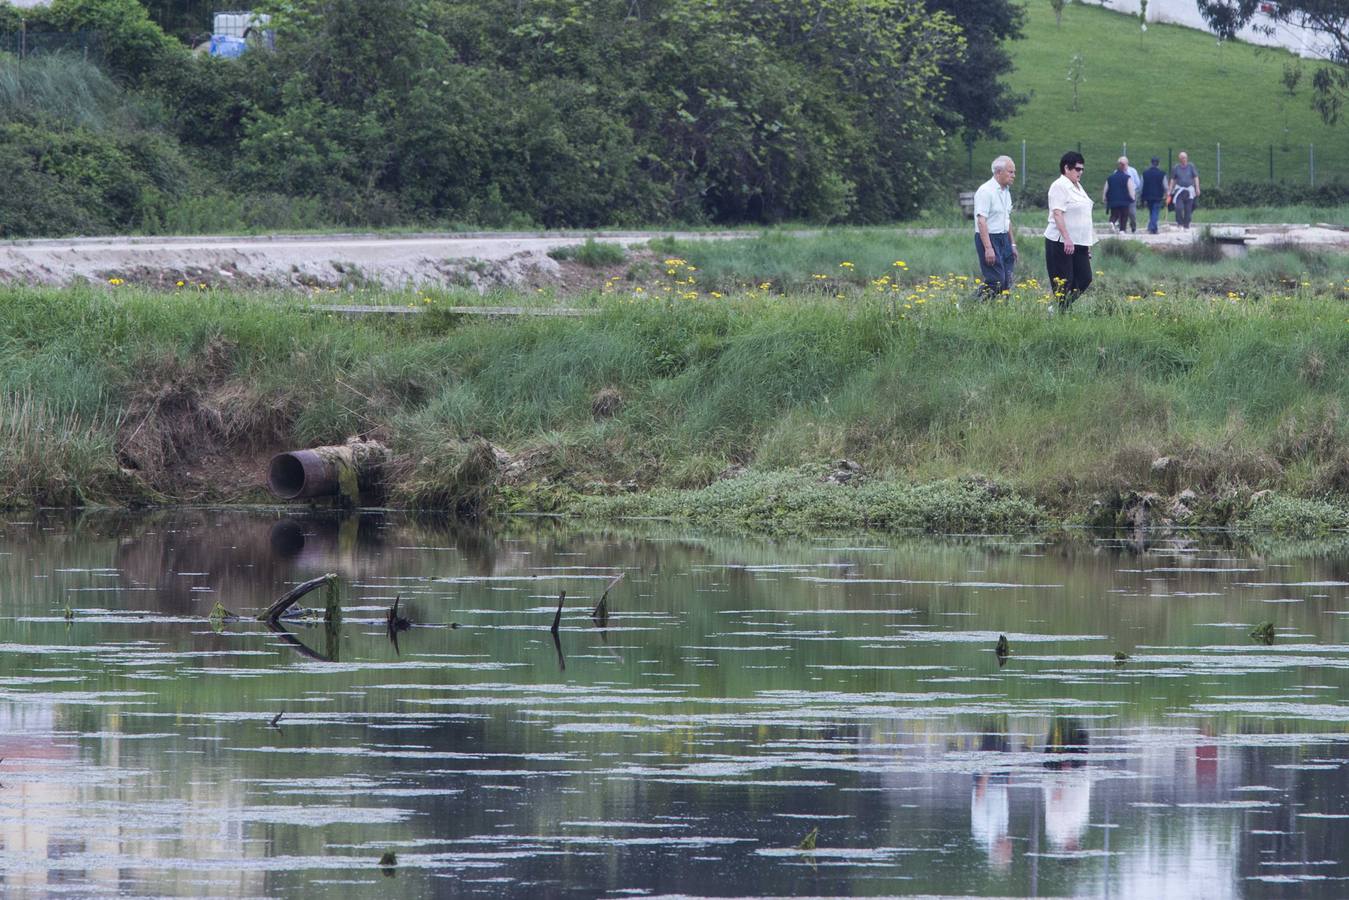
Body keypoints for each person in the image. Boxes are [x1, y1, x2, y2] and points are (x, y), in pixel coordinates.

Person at [1045, 151, 1095, 310]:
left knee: (1085, 278)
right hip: (1061, 241)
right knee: (1064, 280)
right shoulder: (1059, 186)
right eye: (1077, 169)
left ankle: (1059, 308)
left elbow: (1085, 216)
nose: (1080, 172)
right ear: (1067, 168)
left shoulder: (1078, 187)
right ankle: (1061, 312)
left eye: (1082, 169)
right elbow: (1057, 213)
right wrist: (1067, 238)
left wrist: (1087, 244)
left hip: (1080, 242)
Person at [972, 155, 1018, 299]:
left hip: (1004, 238)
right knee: (995, 280)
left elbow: (1007, 220)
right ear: (999, 172)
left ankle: (998, 311)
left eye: (1014, 172)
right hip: (989, 238)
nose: (1013, 176)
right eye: (1010, 172)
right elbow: (981, 221)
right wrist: (988, 248)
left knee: (1007, 281)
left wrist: (1013, 244)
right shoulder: (985, 191)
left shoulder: (1006, 192)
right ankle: (967, 306)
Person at [1169, 150, 1201, 230]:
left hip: (1189, 190)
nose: (1184, 159)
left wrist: (1197, 188)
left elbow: (1196, 177)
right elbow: (1173, 179)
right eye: (1182, 158)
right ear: (1179, 159)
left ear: (1187, 158)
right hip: (1179, 190)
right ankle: (1179, 223)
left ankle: (1186, 224)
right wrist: (1169, 190)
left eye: (1185, 158)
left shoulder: (1191, 166)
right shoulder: (1176, 167)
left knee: (1188, 209)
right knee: (1178, 208)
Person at [1102, 156, 1135, 233]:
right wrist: (1132, 197)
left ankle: (1112, 222)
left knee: (1114, 214)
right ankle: (1122, 230)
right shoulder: (1127, 177)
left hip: (1113, 199)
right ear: (1125, 167)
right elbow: (1130, 188)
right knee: (1124, 215)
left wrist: (1104, 197)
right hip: (1124, 200)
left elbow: (1106, 188)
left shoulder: (1110, 178)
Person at [1140, 156, 1167, 234]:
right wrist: (1166, 194)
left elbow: (1141, 186)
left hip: (1147, 196)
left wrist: (1140, 195)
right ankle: (1152, 228)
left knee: (1152, 211)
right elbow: (1165, 186)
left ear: (1151, 163)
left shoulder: (1144, 173)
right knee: (1155, 212)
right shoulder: (1162, 174)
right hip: (1158, 196)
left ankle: (1152, 227)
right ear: (1158, 164)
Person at [1125, 158, 1142, 233]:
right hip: (1122, 194)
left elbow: (1137, 183)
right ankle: (1122, 227)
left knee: (1132, 212)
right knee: (1122, 211)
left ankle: (1133, 227)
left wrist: (1135, 191)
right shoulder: (1117, 171)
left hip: (1131, 193)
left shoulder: (1132, 171)